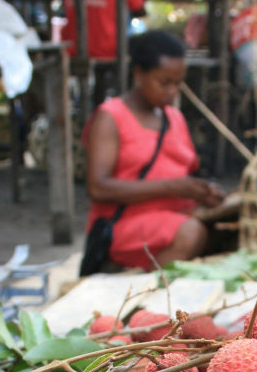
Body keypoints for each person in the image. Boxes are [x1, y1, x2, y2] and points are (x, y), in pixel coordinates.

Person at [82, 30, 224, 271]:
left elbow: (185, 177)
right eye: (164, 83)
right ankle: (147, 289)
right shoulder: (111, 117)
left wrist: (203, 193)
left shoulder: (175, 118)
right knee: (191, 233)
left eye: (178, 83)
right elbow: (98, 187)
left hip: (173, 218)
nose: (172, 91)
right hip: (124, 225)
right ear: (138, 73)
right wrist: (171, 186)